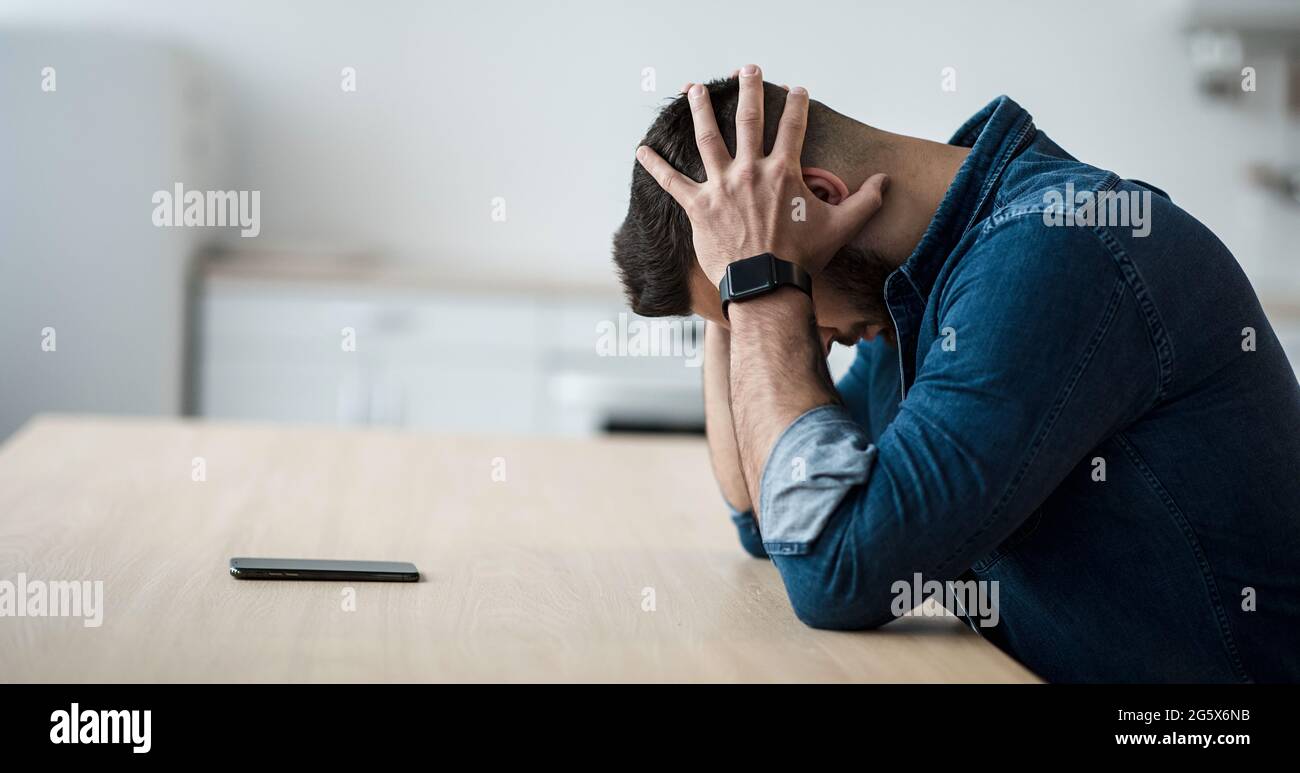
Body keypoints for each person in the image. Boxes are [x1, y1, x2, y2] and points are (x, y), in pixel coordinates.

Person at [610, 64, 1300, 682]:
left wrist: (759, 281)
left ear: (815, 195)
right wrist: (736, 268)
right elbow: (775, 520)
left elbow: (831, 567)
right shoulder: (923, 284)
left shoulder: (1057, 249)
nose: (812, 335)